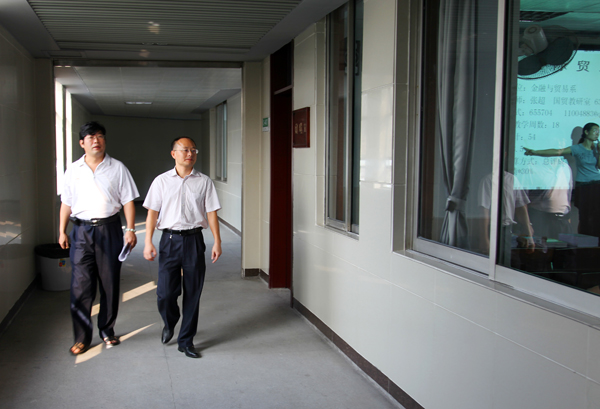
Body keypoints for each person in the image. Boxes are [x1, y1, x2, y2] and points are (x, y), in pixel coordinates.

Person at [59, 121, 139, 355]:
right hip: (81, 231)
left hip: (109, 230)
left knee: (109, 283)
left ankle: (107, 330)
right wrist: (62, 230)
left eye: (100, 136)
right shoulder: (73, 170)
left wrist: (130, 229)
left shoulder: (118, 168)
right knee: (80, 285)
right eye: (91, 137)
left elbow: (128, 200)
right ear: (82, 143)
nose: (96, 140)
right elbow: (66, 202)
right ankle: (82, 338)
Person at [143, 137, 222, 359]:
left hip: (194, 240)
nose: (190, 154)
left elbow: (211, 213)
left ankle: (186, 341)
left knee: (193, 292)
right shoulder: (161, 181)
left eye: (193, 150)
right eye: (185, 150)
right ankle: (170, 321)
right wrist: (148, 241)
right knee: (165, 293)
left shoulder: (204, 182)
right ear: (173, 154)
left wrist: (217, 241)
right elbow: (152, 213)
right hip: (169, 240)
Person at [524, 122, 600, 237]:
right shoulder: (577, 148)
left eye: (598, 131)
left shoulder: (597, 149)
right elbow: (557, 152)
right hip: (583, 186)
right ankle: (586, 240)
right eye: (595, 130)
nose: (597, 133)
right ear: (586, 132)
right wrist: (534, 152)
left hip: (597, 185)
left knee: (596, 216)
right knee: (584, 216)